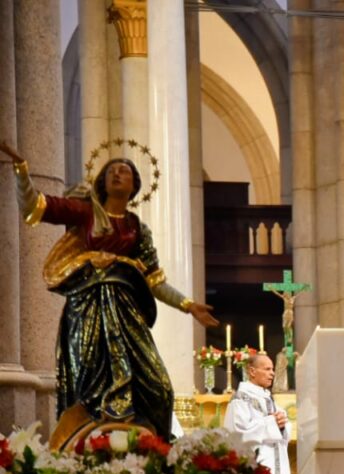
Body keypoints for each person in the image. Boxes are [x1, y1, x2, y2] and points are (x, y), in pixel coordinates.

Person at [2, 142, 218, 440]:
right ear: (102, 181)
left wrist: (189, 305)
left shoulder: (136, 230)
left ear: (135, 186)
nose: (117, 174)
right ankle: (92, 437)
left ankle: (150, 442)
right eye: (112, 171)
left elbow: (155, 281)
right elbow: (34, 208)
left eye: (125, 171)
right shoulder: (85, 212)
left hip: (126, 313)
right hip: (88, 309)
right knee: (90, 383)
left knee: (157, 384)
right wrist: (21, 168)